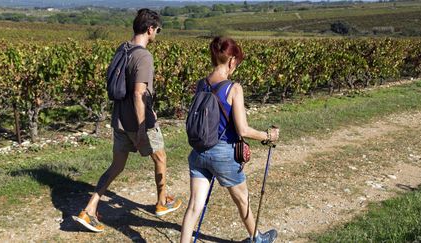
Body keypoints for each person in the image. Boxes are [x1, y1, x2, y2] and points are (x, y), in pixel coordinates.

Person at [73, 8, 181, 233]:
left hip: (119, 119)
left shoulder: (122, 49)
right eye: (158, 30)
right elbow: (138, 94)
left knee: (116, 166)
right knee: (160, 157)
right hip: (137, 121)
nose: (157, 35)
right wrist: (142, 128)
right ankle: (162, 202)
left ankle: (90, 209)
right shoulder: (144, 56)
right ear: (150, 29)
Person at [180, 37, 280, 243]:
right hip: (224, 154)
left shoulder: (202, 84)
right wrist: (267, 136)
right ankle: (257, 239)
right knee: (243, 200)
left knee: (193, 207)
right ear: (232, 61)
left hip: (198, 152)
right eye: (237, 62)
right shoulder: (233, 88)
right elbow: (242, 129)